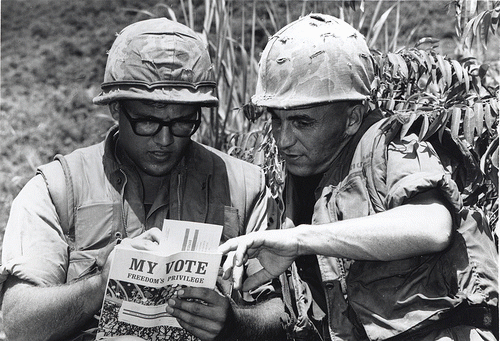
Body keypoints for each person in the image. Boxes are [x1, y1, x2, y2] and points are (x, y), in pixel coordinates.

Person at [0, 18, 287, 341]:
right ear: (115, 110)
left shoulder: (243, 187)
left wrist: (235, 323)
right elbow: (19, 322)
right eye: (147, 122)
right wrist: (99, 285)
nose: (165, 140)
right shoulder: (58, 189)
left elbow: (284, 314)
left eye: (182, 123)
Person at [219, 13, 498, 341]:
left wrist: (300, 239)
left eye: (302, 122)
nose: (283, 139)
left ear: (352, 118)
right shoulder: (299, 184)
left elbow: (433, 226)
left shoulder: (391, 143)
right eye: (277, 120)